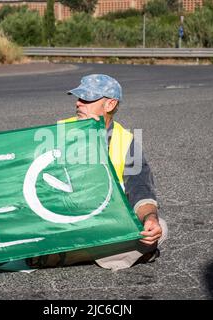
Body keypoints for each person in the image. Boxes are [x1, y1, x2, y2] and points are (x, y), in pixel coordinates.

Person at [27, 74, 168, 271]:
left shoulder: (125, 141)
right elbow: (35, 183)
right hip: (65, 219)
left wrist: (149, 218)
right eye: (78, 98)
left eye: (87, 99)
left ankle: (68, 254)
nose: (78, 103)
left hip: (105, 222)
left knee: (158, 228)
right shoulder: (58, 132)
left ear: (110, 104)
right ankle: (100, 253)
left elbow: (140, 189)